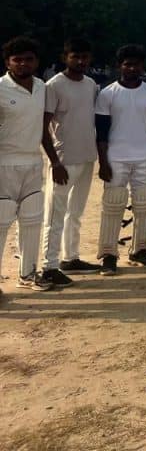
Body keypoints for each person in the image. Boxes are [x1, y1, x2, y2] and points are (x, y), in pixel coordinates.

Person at [95, 44, 146, 275]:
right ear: (120, 66)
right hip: (116, 158)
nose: (132, 68)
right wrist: (103, 162)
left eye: (136, 64)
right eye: (127, 64)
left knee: (144, 205)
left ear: (142, 67)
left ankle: (140, 250)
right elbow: (102, 132)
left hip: (145, 156)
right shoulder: (107, 94)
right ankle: (108, 254)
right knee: (113, 206)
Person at [40, 37, 100, 286]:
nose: (80, 61)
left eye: (84, 56)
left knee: (75, 212)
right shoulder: (54, 86)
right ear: (65, 58)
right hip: (63, 161)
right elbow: (43, 128)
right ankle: (48, 265)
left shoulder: (91, 84)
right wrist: (54, 163)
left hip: (86, 157)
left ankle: (71, 257)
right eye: (75, 56)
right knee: (55, 215)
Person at [0, 37, 54, 292]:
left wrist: (53, 159)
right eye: (17, 59)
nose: (23, 64)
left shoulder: (42, 87)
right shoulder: (0, 88)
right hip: (5, 162)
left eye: (28, 59)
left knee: (32, 220)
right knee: (1, 222)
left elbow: (44, 129)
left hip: (33, 161)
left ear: (37, 61)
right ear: (8, 62)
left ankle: (29, 274)